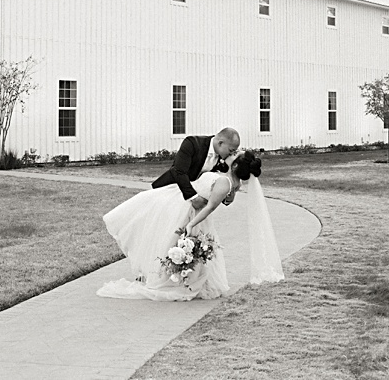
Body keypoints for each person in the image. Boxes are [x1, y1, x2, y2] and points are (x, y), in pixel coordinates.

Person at [97, 151, 283, 301]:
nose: (233, 152)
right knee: (160, 236)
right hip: (179, 200)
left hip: (186, 211)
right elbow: (227, 198)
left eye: (236, 154)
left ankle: (168, 281)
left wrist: (191, 224)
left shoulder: (224, 182)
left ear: (235, 165)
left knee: (167, 241)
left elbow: (210, 207)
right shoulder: (231, 181)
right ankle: (163, 276)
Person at [152, 128, 240, 210]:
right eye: (231, 150)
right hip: (170, 192)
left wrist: (227, 197)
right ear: (220, 143)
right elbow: (178, 171)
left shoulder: (224, 159)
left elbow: (216, 183)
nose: (231, 154)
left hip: (195, 206)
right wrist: (193, 197)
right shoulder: (192, 143)